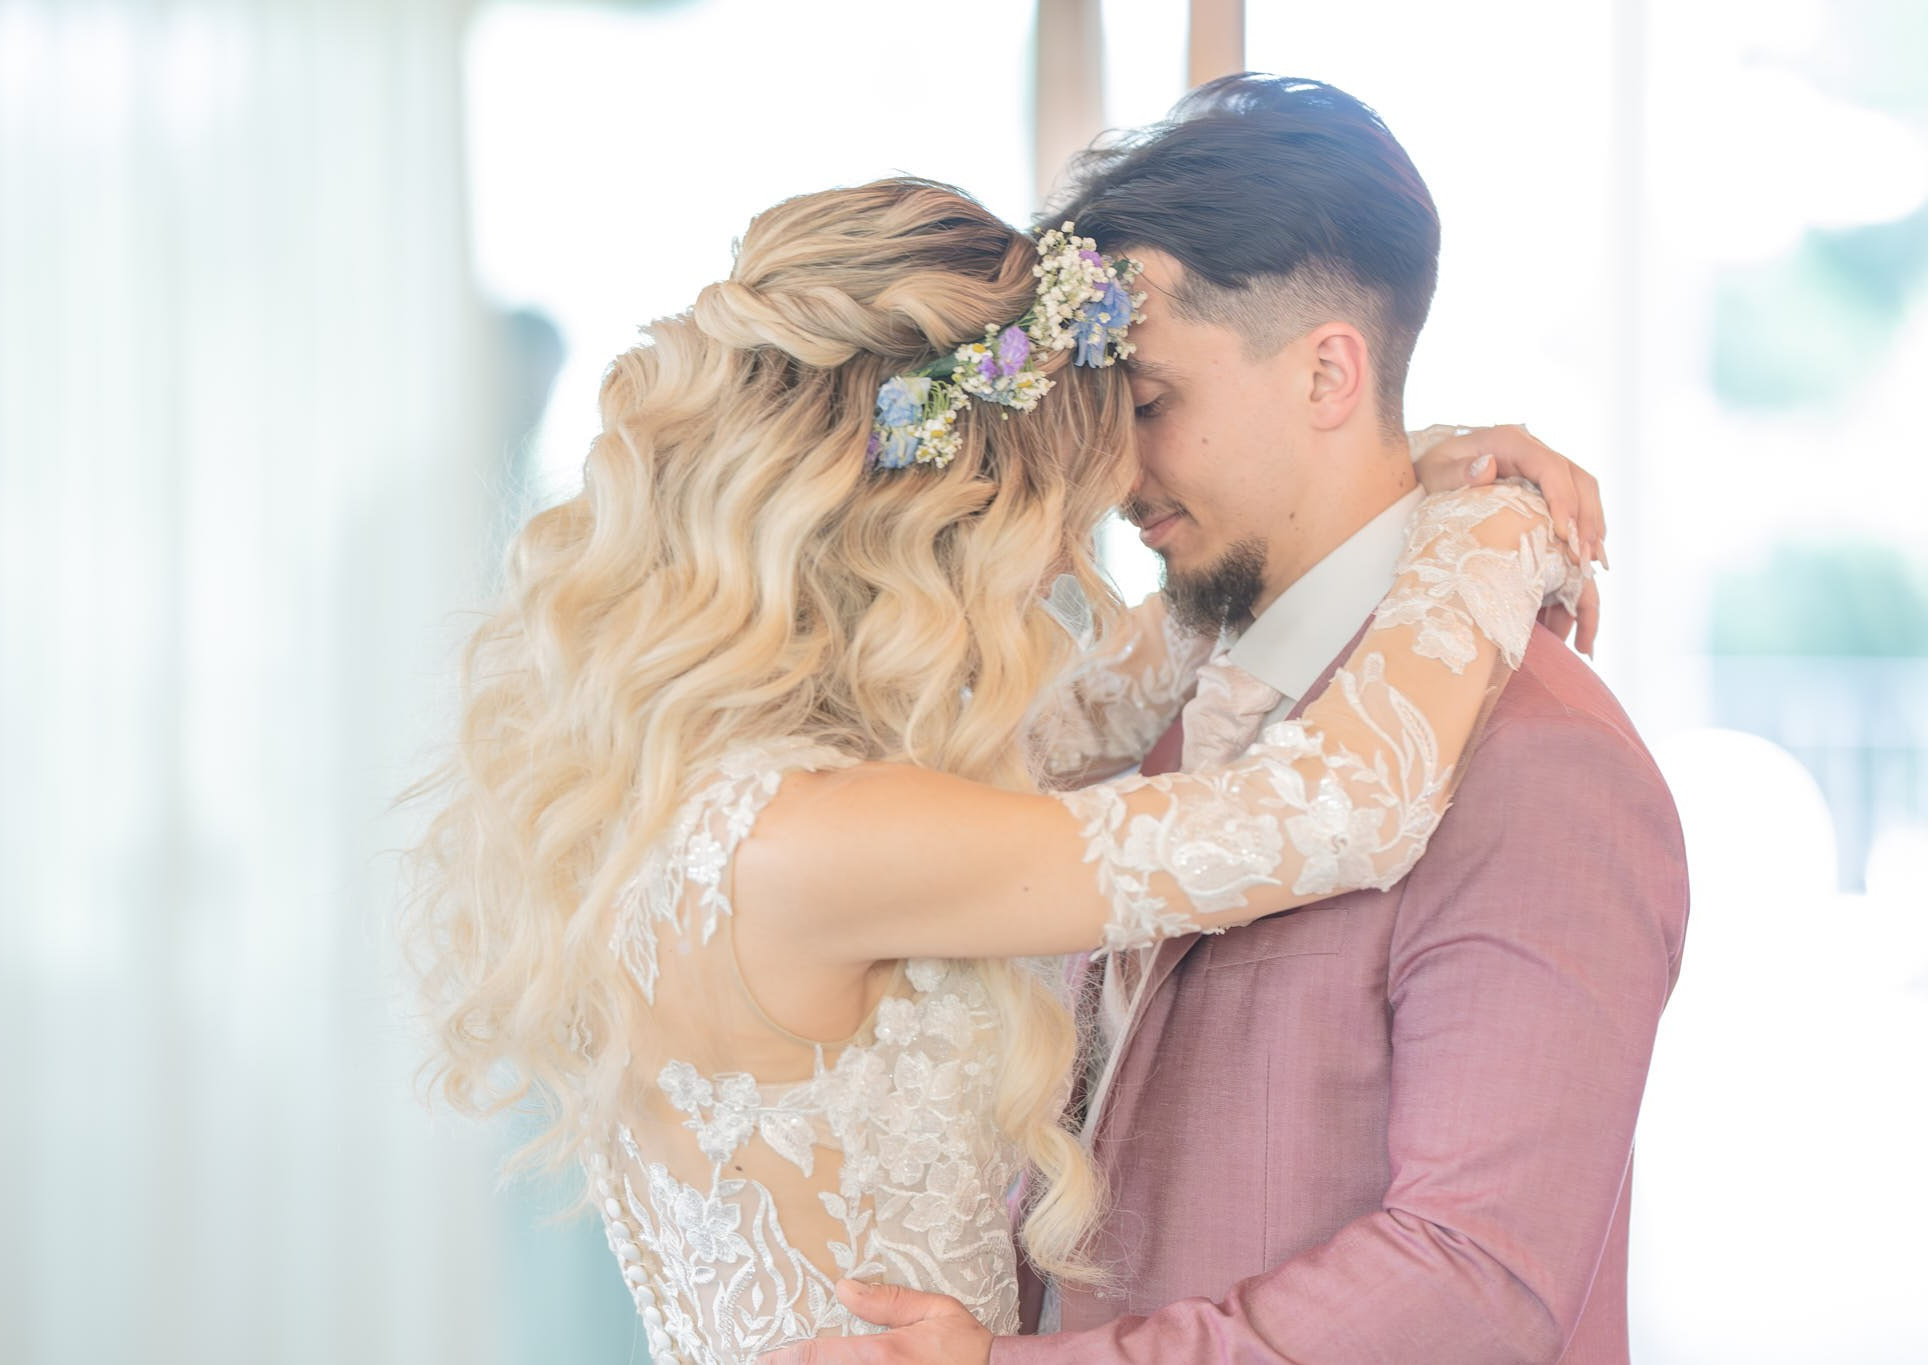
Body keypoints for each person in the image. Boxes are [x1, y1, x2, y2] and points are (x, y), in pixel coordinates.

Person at [407, 175, 1585, 1365]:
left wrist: (1389, 479)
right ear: (947, 515)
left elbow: (1129, 685)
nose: (1074, 564)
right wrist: (1496, 523)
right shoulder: (830, 836)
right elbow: (1341, 806)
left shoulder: (717, 786)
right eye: (1058, 519)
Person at [770, 76, 1688, 1365]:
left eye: (1147, 404)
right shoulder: (1163, 702)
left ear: (1326, 372)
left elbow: (1475, 1288)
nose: (1111, 471)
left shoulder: (1542, 766)